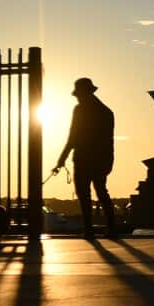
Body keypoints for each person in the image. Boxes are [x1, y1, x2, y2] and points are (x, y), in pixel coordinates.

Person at [54, 77, 117, 238]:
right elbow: (108, 141)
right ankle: (111, 228)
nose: (77, 98)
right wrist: (109, 161)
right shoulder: (106, 112)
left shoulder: (80, 110)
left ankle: (89, 229)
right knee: (101, 192)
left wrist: (62, 159)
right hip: (100, 159)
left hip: (84, 159)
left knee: (85, 194)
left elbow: (73, 136)